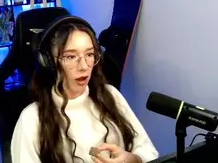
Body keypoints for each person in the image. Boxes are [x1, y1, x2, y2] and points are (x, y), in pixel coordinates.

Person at [11, 16, 158, 163]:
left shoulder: (110, 95)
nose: (83, 67)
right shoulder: (32, 119)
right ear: (48, 62)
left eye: (89, 54)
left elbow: (147, 150)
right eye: (70, 56)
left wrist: (134, 159)